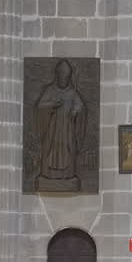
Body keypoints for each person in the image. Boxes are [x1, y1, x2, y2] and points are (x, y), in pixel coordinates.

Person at [35, 59, 87, 190]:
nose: (63, 78)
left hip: (67, 129)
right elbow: (40, 106)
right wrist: (52, 103)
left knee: (69, 151)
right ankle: (48, 175)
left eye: (66, 76)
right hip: (52, 130)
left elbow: (81, 106)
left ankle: (67, 175)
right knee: (49, 150)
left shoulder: (72, 92)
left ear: (69, 77)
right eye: (61, 76)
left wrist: (75, 111)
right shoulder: (50, 90)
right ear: (57, 75)